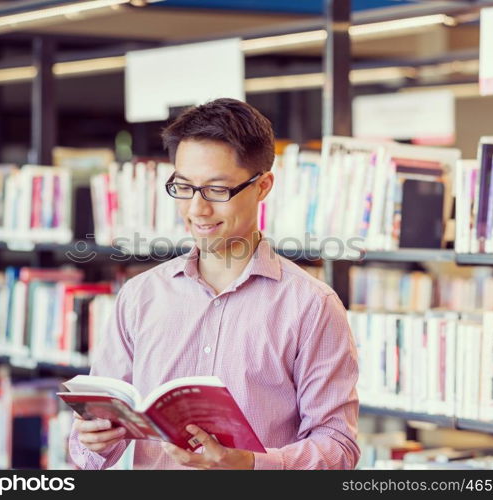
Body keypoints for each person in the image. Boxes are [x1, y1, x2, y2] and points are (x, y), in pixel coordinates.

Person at [69, 98, 360, 470]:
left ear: (263, 186)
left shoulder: (311, 305)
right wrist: (92, 439)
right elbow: (90, 449)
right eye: (185, 187)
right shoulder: (141, 295)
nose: (197, 209)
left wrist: (251, 465)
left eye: (217, 190)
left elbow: (338, 448)